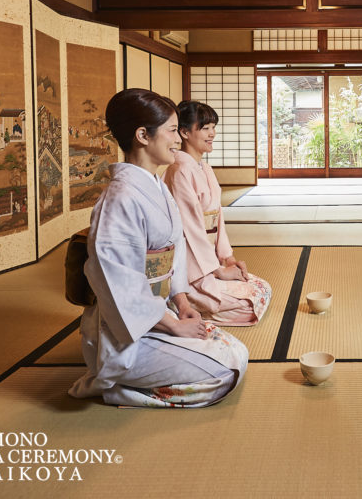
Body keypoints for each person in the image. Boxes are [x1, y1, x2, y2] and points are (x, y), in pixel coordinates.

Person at [69, 89, 248, 408]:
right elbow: (120, 286)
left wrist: (181, 302)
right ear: (142, 135)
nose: (177, 140)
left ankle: (155, 361)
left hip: (159, 313)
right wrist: (175, 326)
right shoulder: (120, 199)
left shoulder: (155, 186)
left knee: (236, 352)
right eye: (170, 130)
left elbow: (175, 255)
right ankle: (117, 388)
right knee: (225, 371)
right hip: (127, 334)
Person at [164, 101, 271, 325]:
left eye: (213, 127)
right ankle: (183, 301)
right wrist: (217, 271)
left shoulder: (204, 167)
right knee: (246, 307)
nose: (212, 133)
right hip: (194, 266)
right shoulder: (180, 170)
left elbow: (217, 219)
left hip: (211, 258)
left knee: (262, 288)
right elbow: (190, 231)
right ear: (184, 132)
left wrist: (228, 259)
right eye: (205, 128)